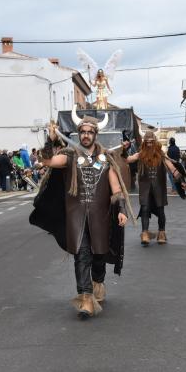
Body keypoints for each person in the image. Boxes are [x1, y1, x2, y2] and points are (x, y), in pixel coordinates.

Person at [31, 106, 130, 319]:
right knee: (82, 255)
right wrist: (50, 140)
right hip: (76, 217)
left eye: (89, 132)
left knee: (98, 256)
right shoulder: (69, 157)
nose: (85, 135)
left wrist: (121, 209)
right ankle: (85, 298)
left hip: (101, 217)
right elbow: (48, 161)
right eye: (82, 132)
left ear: (95, 134)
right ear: (79, 134)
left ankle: (98, 282)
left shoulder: (106, 159)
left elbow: (116, 188)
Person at [126, 130, 183, 245]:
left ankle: (161, 233)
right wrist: (124, 149)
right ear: (144, 143)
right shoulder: (141, 154)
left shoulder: (161, 154)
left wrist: (178, 176)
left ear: (155, 142)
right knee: (145, 209)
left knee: (161, 211)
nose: (149, 144)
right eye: (147, 142)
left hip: (159, 187)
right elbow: (128, 159)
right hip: (145, 188)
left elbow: (170, 165)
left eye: (151, 142)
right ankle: (145, 234)